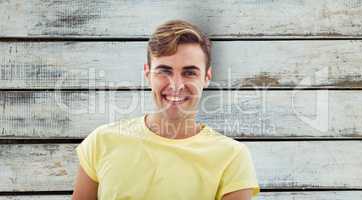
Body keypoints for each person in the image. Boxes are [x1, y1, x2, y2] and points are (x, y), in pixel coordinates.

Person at [72, 19, 260, 200]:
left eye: (189, 73)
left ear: (207, 76)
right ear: (147, 73)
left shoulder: (232, 156)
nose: (176, 85)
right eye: (164, 71)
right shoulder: (102, 141)